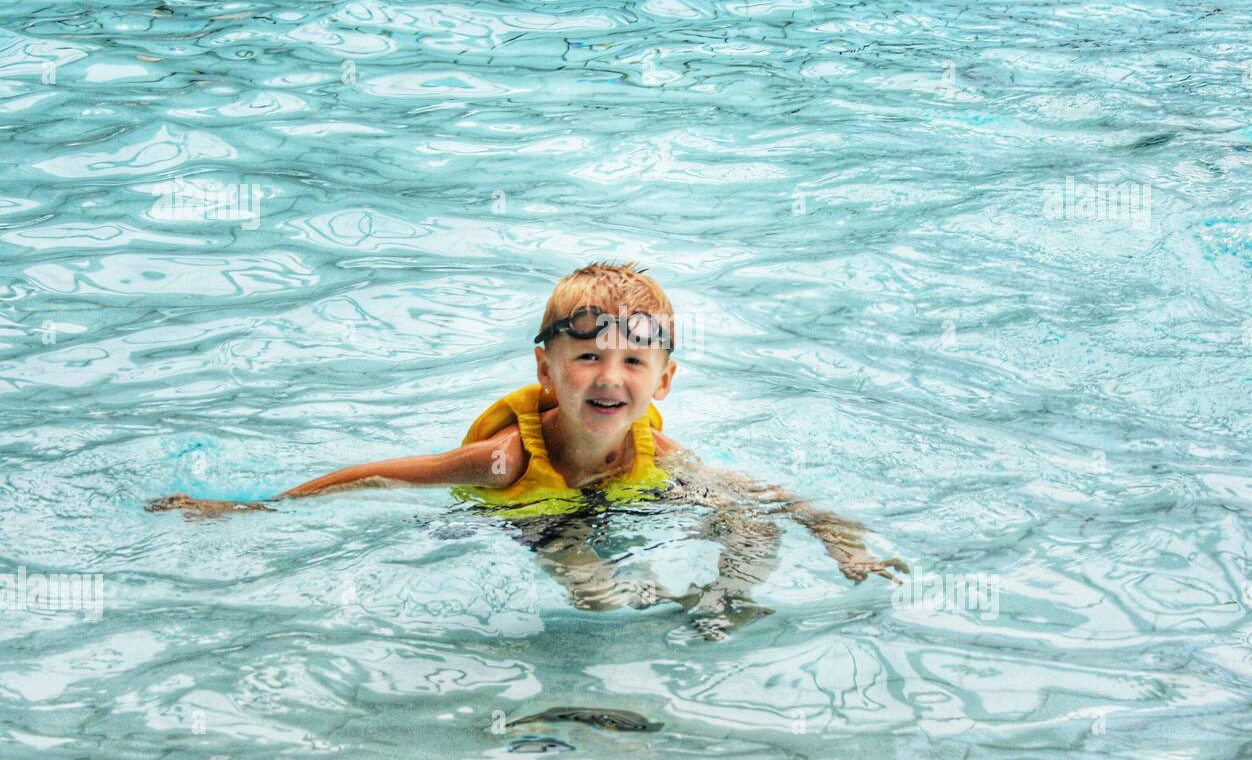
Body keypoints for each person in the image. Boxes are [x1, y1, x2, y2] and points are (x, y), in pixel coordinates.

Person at [148, 261, 907, 635]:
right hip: (530, 517)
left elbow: (765, 496)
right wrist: (246, 510)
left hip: (619, 499)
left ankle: (721, 605)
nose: (609, 378)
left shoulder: (658, 447)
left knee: (750, 524)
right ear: (545, 369)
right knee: (594, 579)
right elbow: (379, 476)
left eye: (633, 363)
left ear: (663, 381)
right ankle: (639, 617)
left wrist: (844, 544)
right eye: (587, 358)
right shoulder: (504, 458)